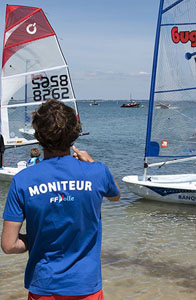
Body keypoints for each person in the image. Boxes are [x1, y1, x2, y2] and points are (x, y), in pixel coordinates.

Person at [1, 99, 120, 300]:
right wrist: (90, 162)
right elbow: (115, 195)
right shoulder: (98, 172)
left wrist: (35, 240)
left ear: (38, 135)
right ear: (75, 132)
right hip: (86, 286)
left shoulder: (22, 180)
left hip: (44, 286)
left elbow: (9, 245)